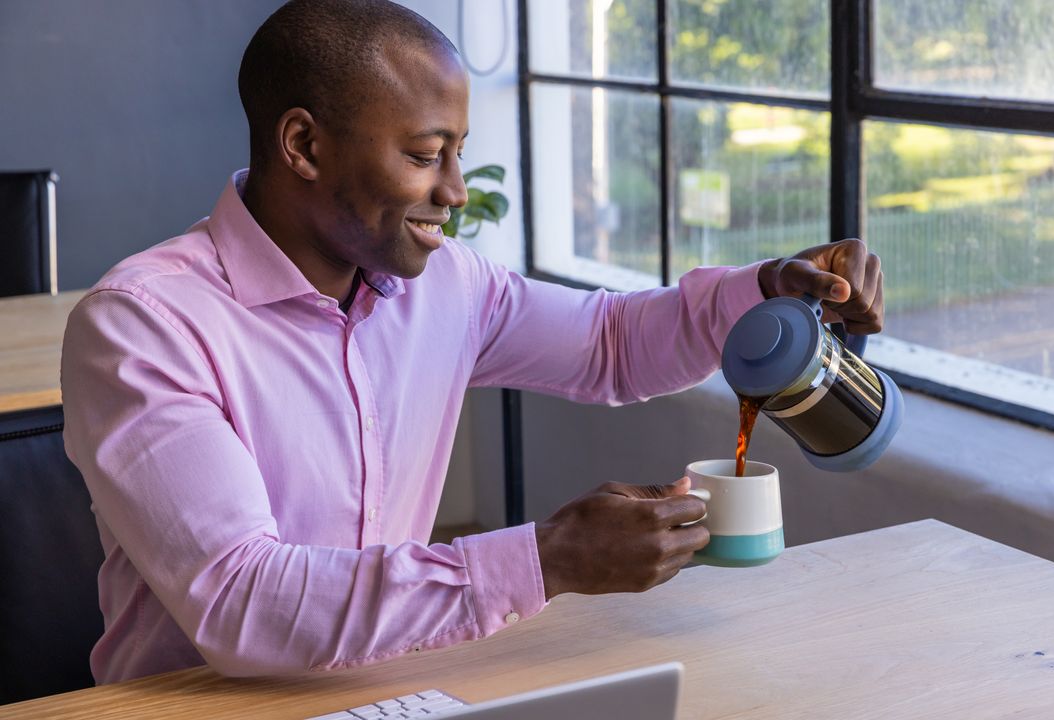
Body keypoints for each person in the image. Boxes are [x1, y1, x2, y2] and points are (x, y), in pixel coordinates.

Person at [61, 0, 883, 685]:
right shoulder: (143, 324)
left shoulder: (445, 286)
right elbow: (242, 600)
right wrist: (545, 560)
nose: (453, 192)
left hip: (398, 687)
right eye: (425, 156)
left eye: (459, 154)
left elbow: (611, 344)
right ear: (304, 146)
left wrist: (767, 289)